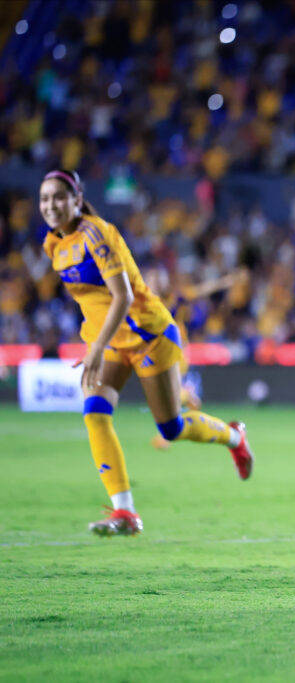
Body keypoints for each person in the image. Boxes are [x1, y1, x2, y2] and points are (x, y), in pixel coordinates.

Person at [38, 169, 254, 537]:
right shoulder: (53, 245)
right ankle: (125, 513)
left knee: (171, 427)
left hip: (148, 335)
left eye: (59, 196)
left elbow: (121, 297)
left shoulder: (97, 233)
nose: (51, 205)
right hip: (110, 343)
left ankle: (234, 437)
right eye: (44, 199)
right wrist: (95, 342)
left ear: (77, 199)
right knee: (95, 413)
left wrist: (95, 347)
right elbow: (94, 300)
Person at [144, 266, 243, 450]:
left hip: (176, 347)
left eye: (155, 280)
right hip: (161, 348)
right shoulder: (147, 301)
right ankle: (188, 402)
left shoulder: (176, 297)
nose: (151, 284)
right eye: (150, 280)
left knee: (168, 393)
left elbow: (203, 289)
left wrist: (224, 282)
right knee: (167, 392)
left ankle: (169, 431)